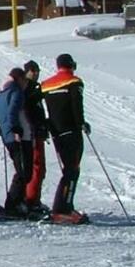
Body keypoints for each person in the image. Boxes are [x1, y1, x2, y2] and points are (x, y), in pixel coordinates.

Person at [40, 53, 90, 224]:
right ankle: (63, 209)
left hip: (56, 132)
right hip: (71, 130)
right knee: (72, 170)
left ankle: (63, 205)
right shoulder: (74, 82)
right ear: (71, 65)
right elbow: (77, 105)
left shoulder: (45, 85)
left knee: (68, 169)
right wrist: (81, 123)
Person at [0, 68, 35, 218]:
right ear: (18, 79)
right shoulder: (16, 92)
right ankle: (12, 205)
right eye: (24, 80)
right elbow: (13, 111)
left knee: (22, 171)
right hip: (19, 137)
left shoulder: (0, 95)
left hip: (9, 138)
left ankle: (17, 203)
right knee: (25, 172)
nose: (26, 83)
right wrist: (15, 128)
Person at [22, 60, 50, 214]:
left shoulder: (35, 88)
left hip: (38, 131)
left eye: (37, 70)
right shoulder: (26, 89)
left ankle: (33, 199)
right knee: (36, 167)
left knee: (39, 168)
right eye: (32, 70)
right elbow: (27, 111)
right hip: (32, 134)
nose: (35, 73)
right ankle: (31, 200)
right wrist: (35, 127)